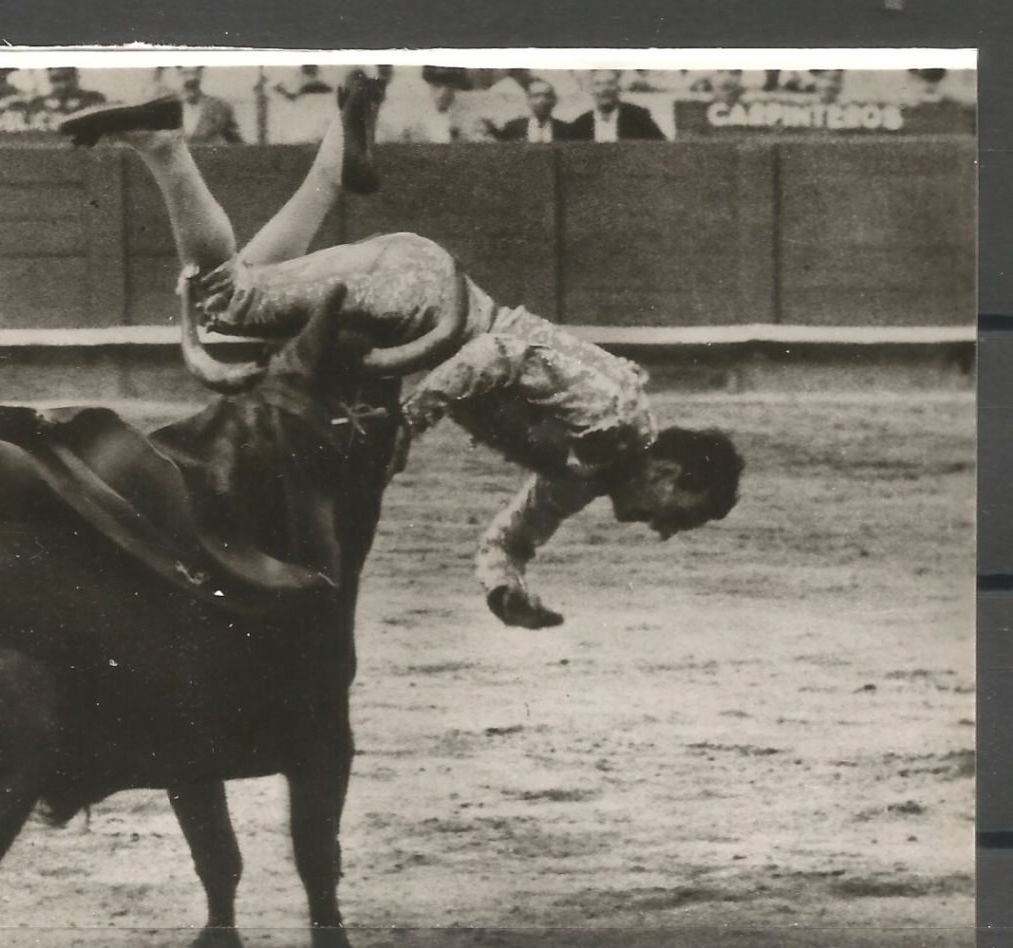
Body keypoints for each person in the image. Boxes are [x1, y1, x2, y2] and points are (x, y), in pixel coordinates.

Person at [59, 76, 741, 630]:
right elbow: (495, 356)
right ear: (670, 474)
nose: (656, 530)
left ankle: (337, 149)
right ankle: (162, 141)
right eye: (672, 517)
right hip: (420, 303)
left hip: (414, 298)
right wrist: (409, 424)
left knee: (235, 307)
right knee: (225, 308)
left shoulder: (590, 465)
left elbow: (512, 535)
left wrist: (505, 586)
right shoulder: (615, 416)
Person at [567, 69, 665, 141]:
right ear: (591, 90)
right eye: (598, 84)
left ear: (618, 87)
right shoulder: (580, 125)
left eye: (610, 83)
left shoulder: (639, 118)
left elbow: (660, 148)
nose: (605, 89)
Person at [176, 67, 243, 145]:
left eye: (194, 73)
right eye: (185, 73)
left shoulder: (220, 108)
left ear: (201, 73)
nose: (190, 78)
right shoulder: (167, 108)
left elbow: (237, 144)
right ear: (178, 74)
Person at [494, 78, 567, 142]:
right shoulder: (512, 128)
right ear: (528, 100)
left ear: (554, 100)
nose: (542, 100)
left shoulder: (564, 130)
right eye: (536, 96)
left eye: (547, 95)